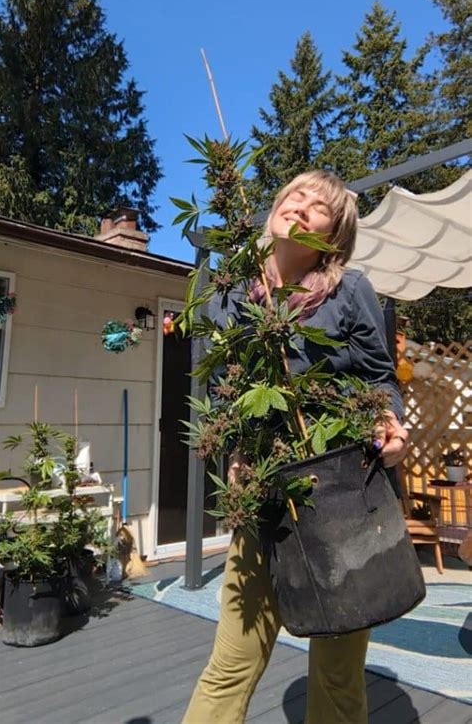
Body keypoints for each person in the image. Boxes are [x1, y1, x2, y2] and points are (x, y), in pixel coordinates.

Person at [182, 170, 409, 724]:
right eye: (295, 196)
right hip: (266, 502)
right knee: (231, 664)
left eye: (322, 207)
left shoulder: (350, 291)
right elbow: (226, 392)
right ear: (274, 208)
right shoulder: (235, 299)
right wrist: (234, 451)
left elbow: (380, 378)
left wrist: (389, 423)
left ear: (334, 234)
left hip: (343, 504)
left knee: (336, 675)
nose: (304, 207)